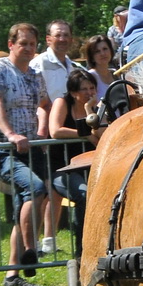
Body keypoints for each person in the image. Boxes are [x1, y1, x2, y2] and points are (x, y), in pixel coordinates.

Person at [0, 23, 48, 286]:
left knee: (25, 203)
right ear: (11, 44)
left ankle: (12, 275)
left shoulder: (35, 75)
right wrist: (10, 133)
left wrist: (42, 128)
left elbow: (44, 105)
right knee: (35, 188)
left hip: (30, 147)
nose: (28, 49)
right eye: (23, 43)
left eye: (32, 44)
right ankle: (30, 252)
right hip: (2, 147)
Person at [32, 19, 76, 256]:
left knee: (57, 189)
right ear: (48, 39)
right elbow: (38, 101)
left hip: (66, 135)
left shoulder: (74, 67)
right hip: (46, 134)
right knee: (44, 189)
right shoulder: (38, 64)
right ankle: (35, 240)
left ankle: (49, 240)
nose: (62, 39)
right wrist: (42, 129)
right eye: (57, 35)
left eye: (66, 35)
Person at [48, 69, 103, 212]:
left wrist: (88, 110)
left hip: (87, 166)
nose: (89, 92)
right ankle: (81, 234)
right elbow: (55, 131)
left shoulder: (95, 109)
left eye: (92, 88)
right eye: (84, 89)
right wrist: (84, 134)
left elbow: (99, 138)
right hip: (63, 168)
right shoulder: (62, 103)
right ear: (73, 93)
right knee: (83, 195)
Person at [81, 34, 117, 99]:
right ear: (92, 57)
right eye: (97, 51)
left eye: (105, 49)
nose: (102, 54)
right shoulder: (89, 77)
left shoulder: (116, 74)